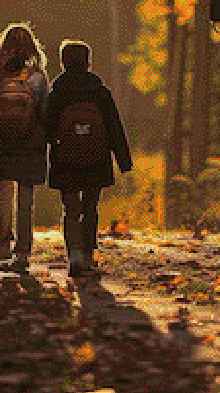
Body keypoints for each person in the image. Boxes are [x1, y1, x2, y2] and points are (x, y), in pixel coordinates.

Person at [46, 39, 132, 277]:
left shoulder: (58, 92)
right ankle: (88, 254)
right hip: (97, 158)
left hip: (66, 159)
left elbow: (48, 128)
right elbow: (114, 127)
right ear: (88, 62)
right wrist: (124, 161)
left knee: (71, 207)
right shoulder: (100, 92)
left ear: (62, 62)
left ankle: (73, 253)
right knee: (91, 207)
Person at [0, 22, 50, 271]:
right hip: (30, 143)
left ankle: (2, 244)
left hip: (1, 142)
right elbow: (45, 112)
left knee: (1, 193)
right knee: (25, 197)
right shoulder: (38, 79)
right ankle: (22, 252)